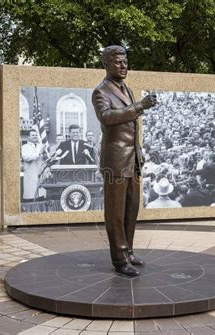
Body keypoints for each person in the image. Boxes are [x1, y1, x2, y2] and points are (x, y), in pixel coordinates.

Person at [92, 45, 157, 276]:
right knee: (116, 213)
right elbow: (107, 117)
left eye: (125, 62)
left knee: (131, 209)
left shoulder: (126, 89)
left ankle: (128, 251)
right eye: (118, 62)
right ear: (106, 64)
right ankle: (119, 259)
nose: (124, 66)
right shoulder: (101, 92)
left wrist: (138, 151)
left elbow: (131, 127)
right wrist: (139, 106)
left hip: (133, 160)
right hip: (116, 161)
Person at [21, 130, 46, 201]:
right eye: (33, 135)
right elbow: (26, 157)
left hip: (40, 173)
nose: (35, 136)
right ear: (28, 137)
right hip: (31, 174)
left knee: (41, 195)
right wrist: (38, 153)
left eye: (36, 135)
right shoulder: (24, 147)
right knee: (31, 196)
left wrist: (45, 154)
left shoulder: (41, 146)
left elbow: (45, 159)